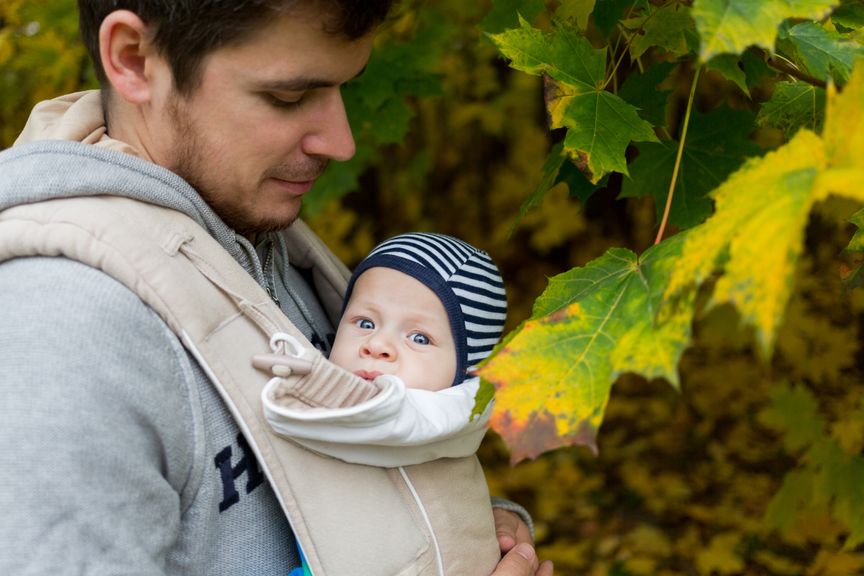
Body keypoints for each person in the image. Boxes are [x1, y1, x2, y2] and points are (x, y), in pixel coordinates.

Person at [0, 2, 553, 575]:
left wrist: (473, 532)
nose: (340, 143)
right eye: (289, 98)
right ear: (135, 60)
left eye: (343, 89)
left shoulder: (261, 237)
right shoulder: (60, 333)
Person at [263, 231, 509, 465]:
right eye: (365, 323)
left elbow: (381, 419)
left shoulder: (442, 419)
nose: (377, 345)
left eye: (419, 338)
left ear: (469, 370)